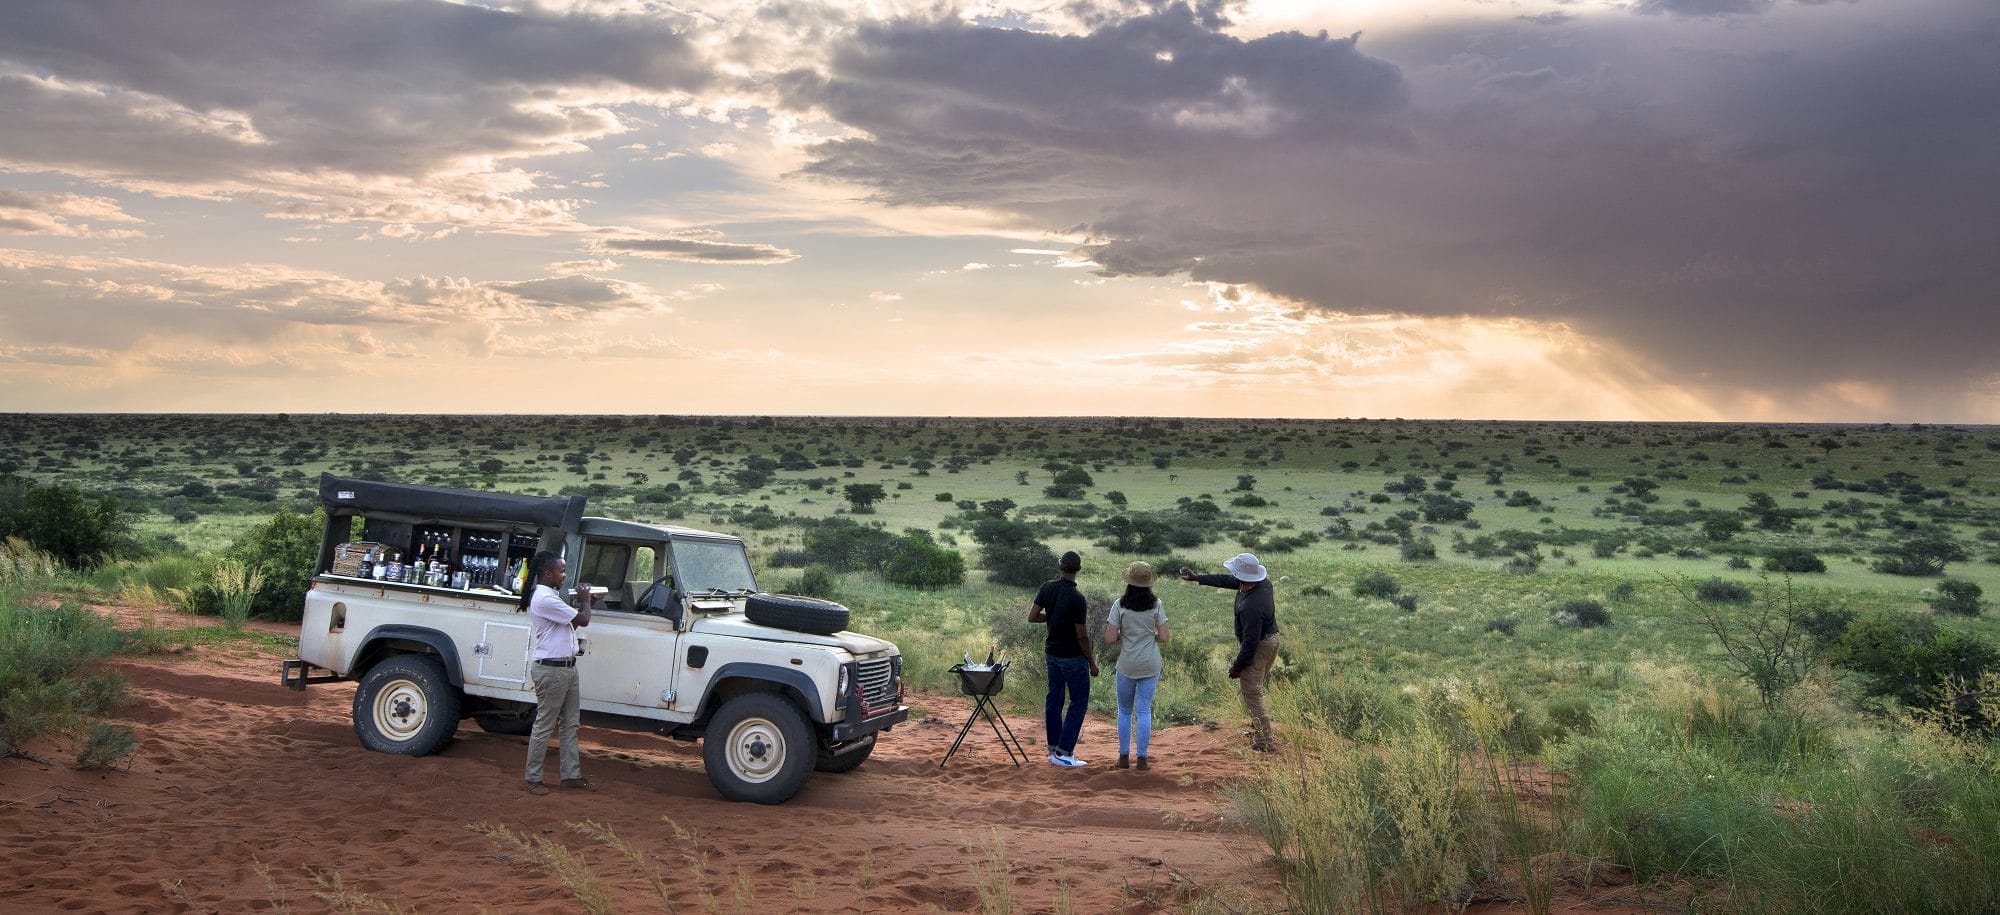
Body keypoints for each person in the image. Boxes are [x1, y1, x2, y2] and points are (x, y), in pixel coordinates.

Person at [1179, 552, 1280, 752]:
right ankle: (1259, 730)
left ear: (1244, 577)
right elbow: (1227, 580)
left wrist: (1237, 667)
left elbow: (1250, 643)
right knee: (1256, 688)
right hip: (1270, 639)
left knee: (1251, 692)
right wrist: (1197, 577)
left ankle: (1264, 742)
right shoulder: (1260, 583)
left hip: (1260, 645)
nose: (1233, 576)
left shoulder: (1252, 606)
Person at [521, 549, 597, 794]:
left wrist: (586, 605)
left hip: (564, 667)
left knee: (569, 724)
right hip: (553, 670)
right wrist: (585, 602)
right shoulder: (546, 598)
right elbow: (583, 620)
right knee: (546, 724)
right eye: (561, 571)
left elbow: (572, 621)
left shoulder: (548, 597)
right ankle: (533, 778)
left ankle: (570, 775)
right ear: (547, 573)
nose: (564, 576)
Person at [1028, 550, 1096, 767]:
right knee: (1078, 701)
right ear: (1078, 570)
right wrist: (1092, 662)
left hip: (1052, 653)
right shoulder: (1078, 598)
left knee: (1054, 699)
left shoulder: (1047, 587)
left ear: (1060, 567)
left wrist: (1054, 616)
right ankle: (1064, 752)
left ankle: (1052, 749)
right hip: (1073, 657)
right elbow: (1081, 635)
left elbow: (1032, 617)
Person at [1103, 561, 1170, 771]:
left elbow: (1110, 638)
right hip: (1150, 663)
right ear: (1149, 582)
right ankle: (1142, 759)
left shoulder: (1119, 605)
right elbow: (1165, 637)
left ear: (1129, 582)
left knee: (1124, 711)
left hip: (1127, 664)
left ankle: (1123, 757)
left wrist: (1126, 634)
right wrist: (1149, 636)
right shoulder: (1156, 604)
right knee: (1143, 710)